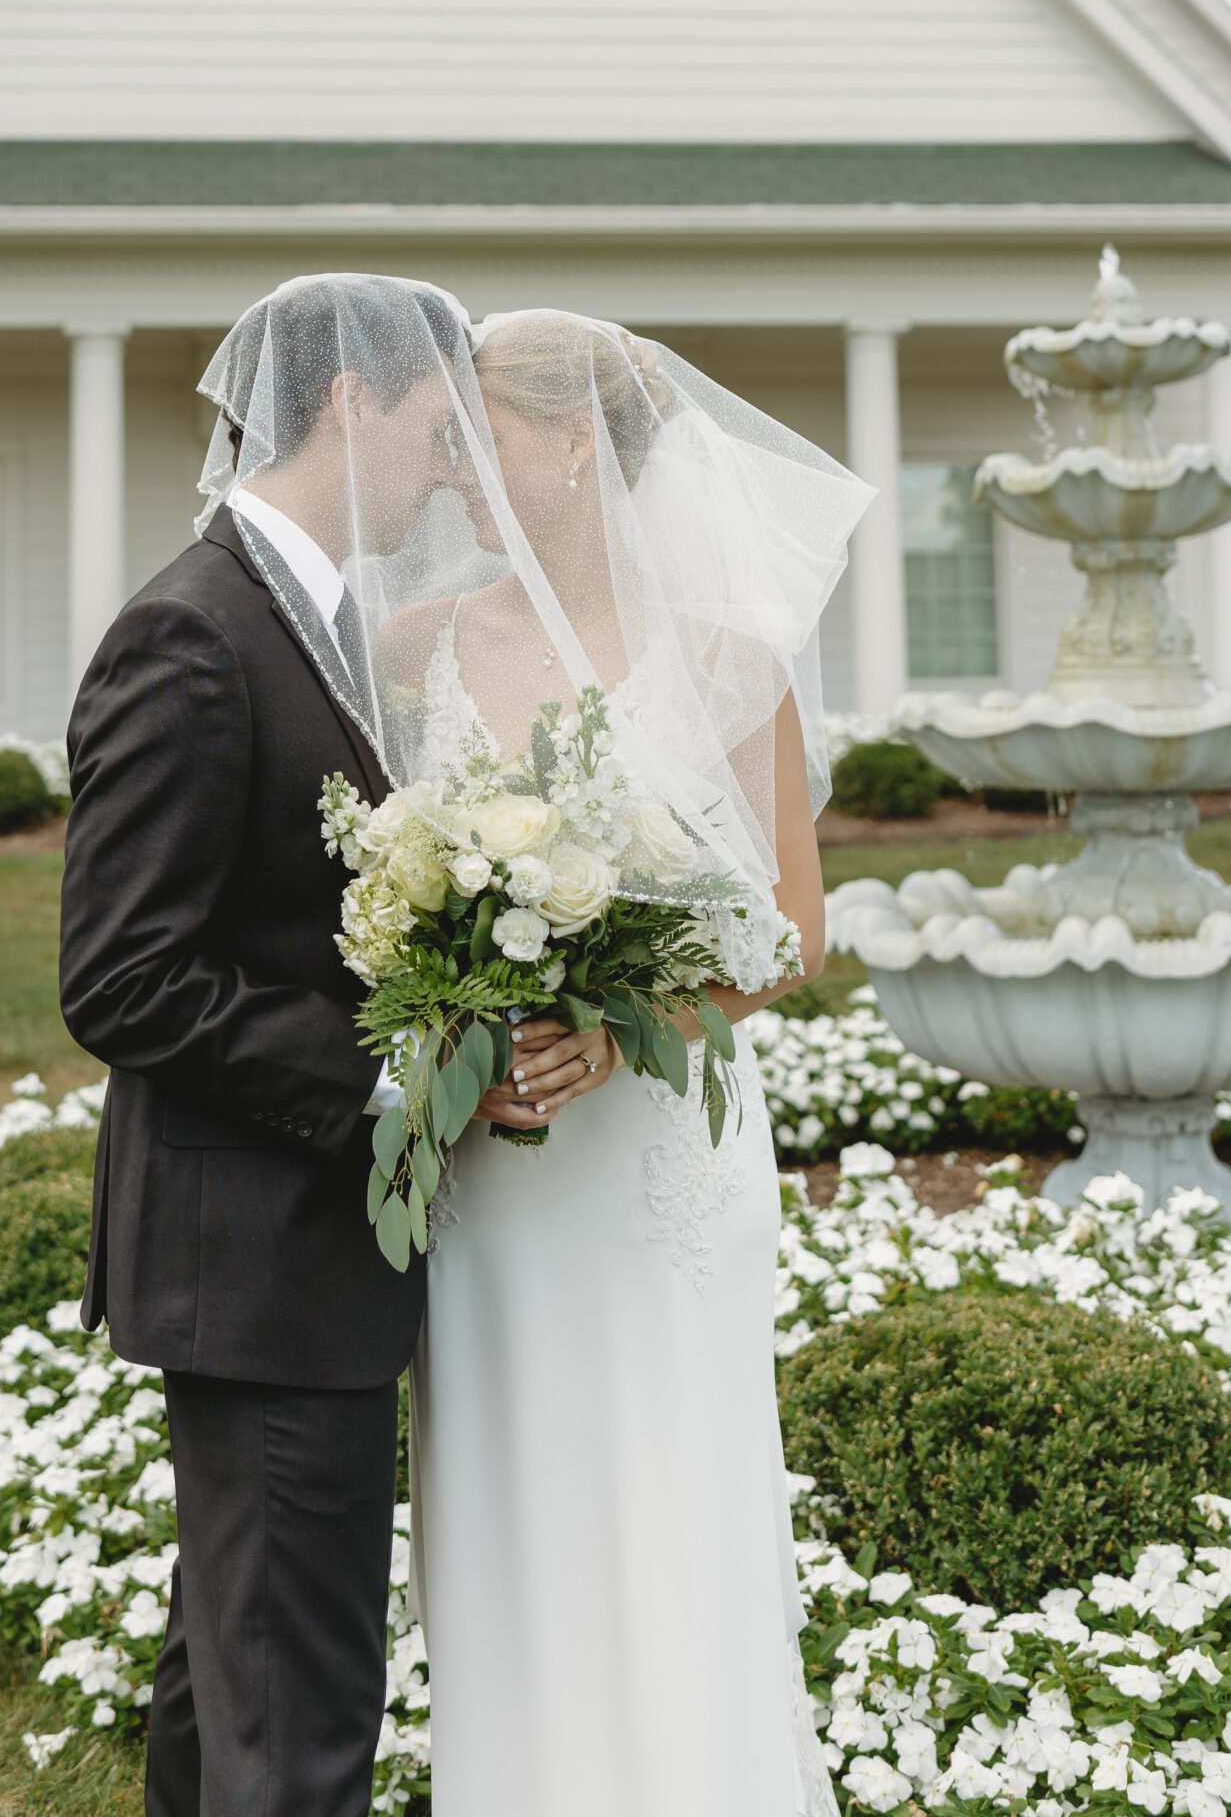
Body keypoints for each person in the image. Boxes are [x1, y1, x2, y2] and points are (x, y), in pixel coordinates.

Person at [374, 309, 872, 1817]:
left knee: (669, 1487)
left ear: (575, 446)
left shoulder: (728, 659)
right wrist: (449, 1010)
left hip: (654, 1157)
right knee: (516, 1492)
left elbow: (794, 929)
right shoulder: (414, 649)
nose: (456, 467)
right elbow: (380, 886)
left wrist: (623, 1021)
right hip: (498, 1160)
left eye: (486, 436)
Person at [58, 272, 480, 1817]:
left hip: (289, 1266)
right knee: (297, 1727)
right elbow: (120, 974)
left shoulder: (321, 618)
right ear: (355, 401)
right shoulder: (194, 630)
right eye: (441, 427)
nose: (455, 467)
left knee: (236, 1689)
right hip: (260, 1261)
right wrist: (393, 1079)